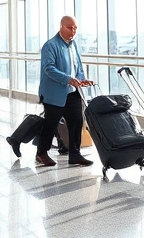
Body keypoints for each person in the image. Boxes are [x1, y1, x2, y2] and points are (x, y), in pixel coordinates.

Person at [29, 16, 95, 168]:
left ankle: (75, 154)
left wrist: (81, 79)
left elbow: (77, 66)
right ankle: (41, 153)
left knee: (77, 122)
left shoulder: (73, 45)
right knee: (51, 124)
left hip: (72, 92)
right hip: (54, 94)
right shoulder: (50, 46)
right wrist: (68, 79)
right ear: (61, 27)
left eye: (75, 28)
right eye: (69, 27)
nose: (73, 31)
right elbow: (49, 68)